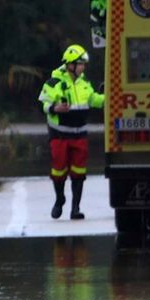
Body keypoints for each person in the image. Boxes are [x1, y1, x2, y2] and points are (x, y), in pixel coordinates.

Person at [38, 44, 104, 219]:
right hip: (59, 135)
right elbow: (43, 104)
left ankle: (76, 208)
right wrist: (54, 108)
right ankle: (60, 199)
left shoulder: (85, 84)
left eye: (84, 64)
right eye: (80, 64)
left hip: (79, 134)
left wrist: (111, 97)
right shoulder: (54, 83)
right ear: (70, 64)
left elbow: (94, 100)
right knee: (59, 170)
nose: (83, 67)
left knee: (79, 172)